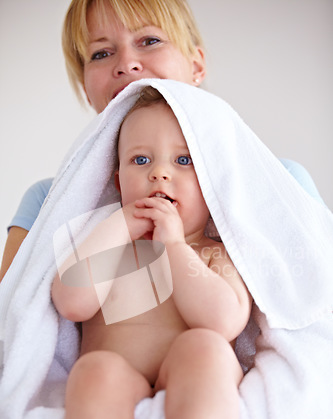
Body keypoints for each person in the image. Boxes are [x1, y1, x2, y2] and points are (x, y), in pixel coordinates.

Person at [0, 0, 324, 282]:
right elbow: (13, 321)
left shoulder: (281, 184)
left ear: (196, 65)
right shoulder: (47, 202)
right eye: (101, 52)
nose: (126, 63)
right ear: (85, 87)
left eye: (150, 40)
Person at [51, 86, 253, 419]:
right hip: (117, 375)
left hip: (189, 374)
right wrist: (119, 228)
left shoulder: (214, 252)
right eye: (140, 160)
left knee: (208, 349)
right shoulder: (108, 243)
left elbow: (224, 321)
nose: (159, 173)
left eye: (183, 160)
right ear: (117, 179)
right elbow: (72, 301)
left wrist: (175, 247)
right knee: (93, 373)